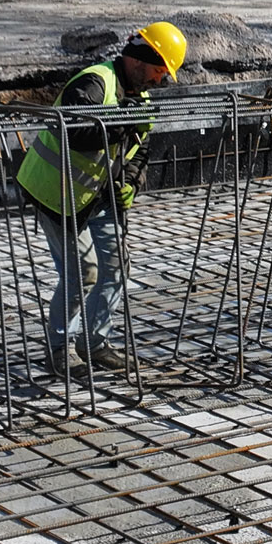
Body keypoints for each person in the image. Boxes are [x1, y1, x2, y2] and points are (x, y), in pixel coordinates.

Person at [16, 21, 188, 372]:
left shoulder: (139, 98)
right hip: (56, 190)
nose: (160, 80)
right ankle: (61, 349)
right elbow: (77, 133)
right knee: (83, 271)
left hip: (96, 193)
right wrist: (119, 123)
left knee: (115, 266)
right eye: (159, 71)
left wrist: (130, 181)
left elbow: (141, 148)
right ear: (142, 59)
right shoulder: (94, 83)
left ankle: (94, 342)